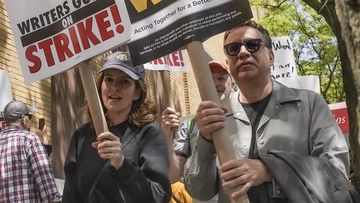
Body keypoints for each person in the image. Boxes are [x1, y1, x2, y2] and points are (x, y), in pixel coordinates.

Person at [184, 20, 350, 203]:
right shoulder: (215, 116)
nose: (243, 52)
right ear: (228, 64)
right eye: (233, 48)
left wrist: (270, 170)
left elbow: (337, 171)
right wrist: (205, 140)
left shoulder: (310, 104)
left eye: (253, 45)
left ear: (271, 57)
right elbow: (199, 192)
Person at [62, 51, 171, 203]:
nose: (114, 87)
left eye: (124, 81)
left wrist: (121, 164)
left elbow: (159, 196)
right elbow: (70, 194)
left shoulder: (150, 133)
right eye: (109, 79)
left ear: (137, 92)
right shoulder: (82, 135)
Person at [161, 60, 234, 203]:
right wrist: (167, 134)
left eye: (221, 78)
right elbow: (173, 176)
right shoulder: (189, 123)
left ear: (232, 82)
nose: (215, 84)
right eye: (209, 79)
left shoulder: (245, 118)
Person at [0, 100, 61, 202]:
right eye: (30, 117)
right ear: (24, 119)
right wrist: (54, 198)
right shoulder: (29, 139)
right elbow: (43, 174)